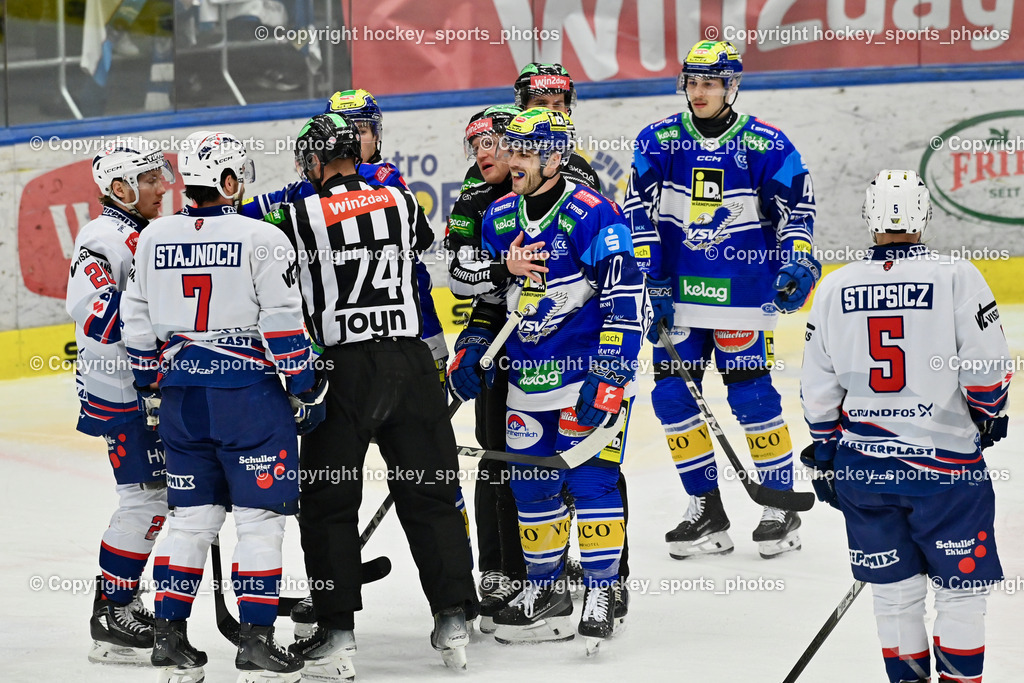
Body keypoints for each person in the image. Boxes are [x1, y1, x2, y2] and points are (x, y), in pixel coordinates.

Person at [265, 113, 477, 675]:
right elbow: (420, 243)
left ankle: (337, 633)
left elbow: (249, 231)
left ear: (315, 161)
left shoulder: (297, 212)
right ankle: (453, 617)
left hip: (344, 372)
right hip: (410, 364)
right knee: (431, 495)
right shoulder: (401, 200)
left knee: (328, 504)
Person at [121, 130, 321, 683]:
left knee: (190, 521)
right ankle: (256, 643)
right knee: (259, 522)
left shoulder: (153, 236)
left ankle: (169, 640)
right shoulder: (261, 236)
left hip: (183, 399)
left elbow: (136, 319)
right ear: (229, 180)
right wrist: (304, 385)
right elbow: (282, 321)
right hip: (248, 400)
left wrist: (151, 379)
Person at [800, 169, 1011, 683]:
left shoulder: (834, 286)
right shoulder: (957, 276)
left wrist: (825, 453)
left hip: (864, 470)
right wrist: (986, 414)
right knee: (962, 593)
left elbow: (817, 387)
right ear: (925, 215)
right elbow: (986, 369)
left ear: (868, 215)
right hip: (947, 470)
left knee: (894, 596)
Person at [449, 107, 644, 652]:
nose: (513, 160)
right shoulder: (498, 217)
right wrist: (472, 345)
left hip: (586, 375)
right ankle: (546, 589)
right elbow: (492, 300)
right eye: (510, 149)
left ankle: (602, 591)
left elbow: (626, 296)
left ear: (555, 156)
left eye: (526, 152)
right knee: (530, 484)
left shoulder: (593, 213)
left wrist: (610, 373)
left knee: (592, 482)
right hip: (528, 379)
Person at [624, 39, 819, 560]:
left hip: (742, 297)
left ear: (731, 86)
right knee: (671, 399)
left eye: (710, 82)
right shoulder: (658, 140)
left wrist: (798, 260)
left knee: (751, 397)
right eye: (692, 81)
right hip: (677, 296)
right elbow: (638, 214)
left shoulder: (766, 144)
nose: (699, 91)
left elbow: (797, 212)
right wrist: (653, 281)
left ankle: (778, 506)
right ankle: (706, 509)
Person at [68, 143, 174, 665]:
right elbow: (98, 316)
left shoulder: (147, 232)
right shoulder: (100, 238)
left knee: (156, 498)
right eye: (150, 179)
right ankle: (111, 613)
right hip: (124, 394)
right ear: (119, 188)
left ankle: (120, 604)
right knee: (145, 500)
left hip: (146, 389)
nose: (163, 187)